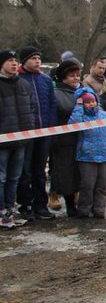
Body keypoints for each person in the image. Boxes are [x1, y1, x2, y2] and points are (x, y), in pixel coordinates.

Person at [16, 45, 57, 221]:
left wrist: (51, 127)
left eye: (39, 58)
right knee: (25, 171)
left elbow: (51, 104)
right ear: (25, 61)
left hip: (44, 131)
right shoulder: (18, 80)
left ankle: (41, 204)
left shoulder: (46, 80)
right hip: (25, 133)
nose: (37, 61)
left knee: (40, 171)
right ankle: (25, 205)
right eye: (33, 58)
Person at [68, 88, 106, 218]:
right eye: (87, 102)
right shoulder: (81, 116)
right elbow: (73, 124)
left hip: (104, 154)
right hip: (86, 155)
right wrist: (79, 106)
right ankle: (84, 209)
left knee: (101, 184)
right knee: (87, 184)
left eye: (93, 101)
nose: (91, 104)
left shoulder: (104, 115)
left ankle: (99, 209)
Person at [0, 49, 36, 229]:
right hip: (2, 142)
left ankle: (10, 208)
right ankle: (1, 211)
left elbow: (32, 108)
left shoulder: (23, 85)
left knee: (15, 177)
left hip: (22, 139)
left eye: (15, 60)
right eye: (9, 61)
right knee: (1, 177)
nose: (14, 64)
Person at [49, 58, 83, 216]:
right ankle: (70, 205)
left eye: (77, 75)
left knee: (80, 172)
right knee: (67, 173)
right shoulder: (56, 94)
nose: (76, 78)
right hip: (64, 141)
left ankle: (79, 200)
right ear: (63, 78)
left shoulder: (83, 93)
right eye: (72, 76)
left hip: (82, 139)